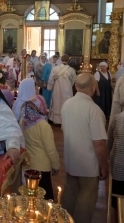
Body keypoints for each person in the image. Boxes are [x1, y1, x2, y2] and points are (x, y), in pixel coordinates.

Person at [61, 74, 108, 223]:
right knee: (85, 201)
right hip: (88, 165)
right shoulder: (94, 110)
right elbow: (99, 143)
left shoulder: (66, 104)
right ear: (93, 88)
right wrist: (104, 166)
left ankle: (64, 220)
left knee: (69, 195)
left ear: (76, 86)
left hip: (70, 159)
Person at [19, 95, 60, 200]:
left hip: (28, 164)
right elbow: (50, 149)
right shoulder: (43, 125)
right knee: (44, 198)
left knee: (30, 196)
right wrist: (56, 165)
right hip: (41, 166)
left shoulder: (23, 120)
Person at [47, 54, 76, 124]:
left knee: (57, 103)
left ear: (61, 60)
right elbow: (74, 80)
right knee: (66, 103)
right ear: (68, 60)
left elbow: (51, 80)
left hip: (57, 89)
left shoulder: (55, 68)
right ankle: (66, 120)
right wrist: (69, 85)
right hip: (67, 90)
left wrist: (50, 88)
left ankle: (56, 120)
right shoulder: (71, 70)